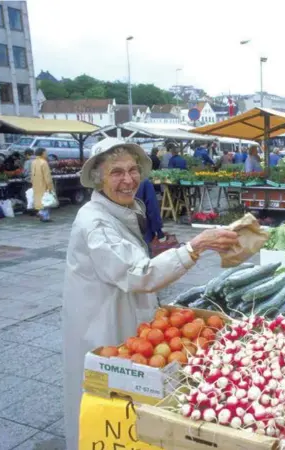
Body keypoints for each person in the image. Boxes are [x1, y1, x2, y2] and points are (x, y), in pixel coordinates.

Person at [61, 138, 239, 450]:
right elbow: (139, 274)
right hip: (101, 320)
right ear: (98, 178)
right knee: (106, 399)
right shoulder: (96, 224)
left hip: (119, 311)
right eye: (116, 172)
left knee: (124, 393)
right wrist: (194, 246)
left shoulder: (118, 209)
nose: (128, 179)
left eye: (132, 170)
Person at [31, 148, 54, 222]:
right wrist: (50, 187)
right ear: (42, 153)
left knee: (40, 201)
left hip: (36, 184)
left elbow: (32, 175)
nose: (46, 154)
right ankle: (43, 215)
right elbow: (47, 176)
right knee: (47, 201)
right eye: (45, 153)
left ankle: (44, 216)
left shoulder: (33, 162)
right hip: (44, 185)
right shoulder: (44, 163)